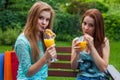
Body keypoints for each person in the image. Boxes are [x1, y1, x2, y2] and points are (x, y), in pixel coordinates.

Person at [14, 1, 57, 80]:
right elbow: (28, 73)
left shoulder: (44, 36)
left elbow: (52, 59)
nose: (44, 23)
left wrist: (51, 45)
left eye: (47, 20)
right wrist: (45, 58)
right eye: (40, 18)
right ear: (32, 17)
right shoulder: (22, 42)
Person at [71, 9, 110, 80]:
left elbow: (104, 68)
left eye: (91, 25)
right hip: (82, 77)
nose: (86, 28)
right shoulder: (77, 41)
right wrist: (77, 54)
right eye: (84, 23)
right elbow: (73, 68)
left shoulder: (103, 42)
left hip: (99, 78)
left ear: (97, 27)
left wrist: (92, 47)